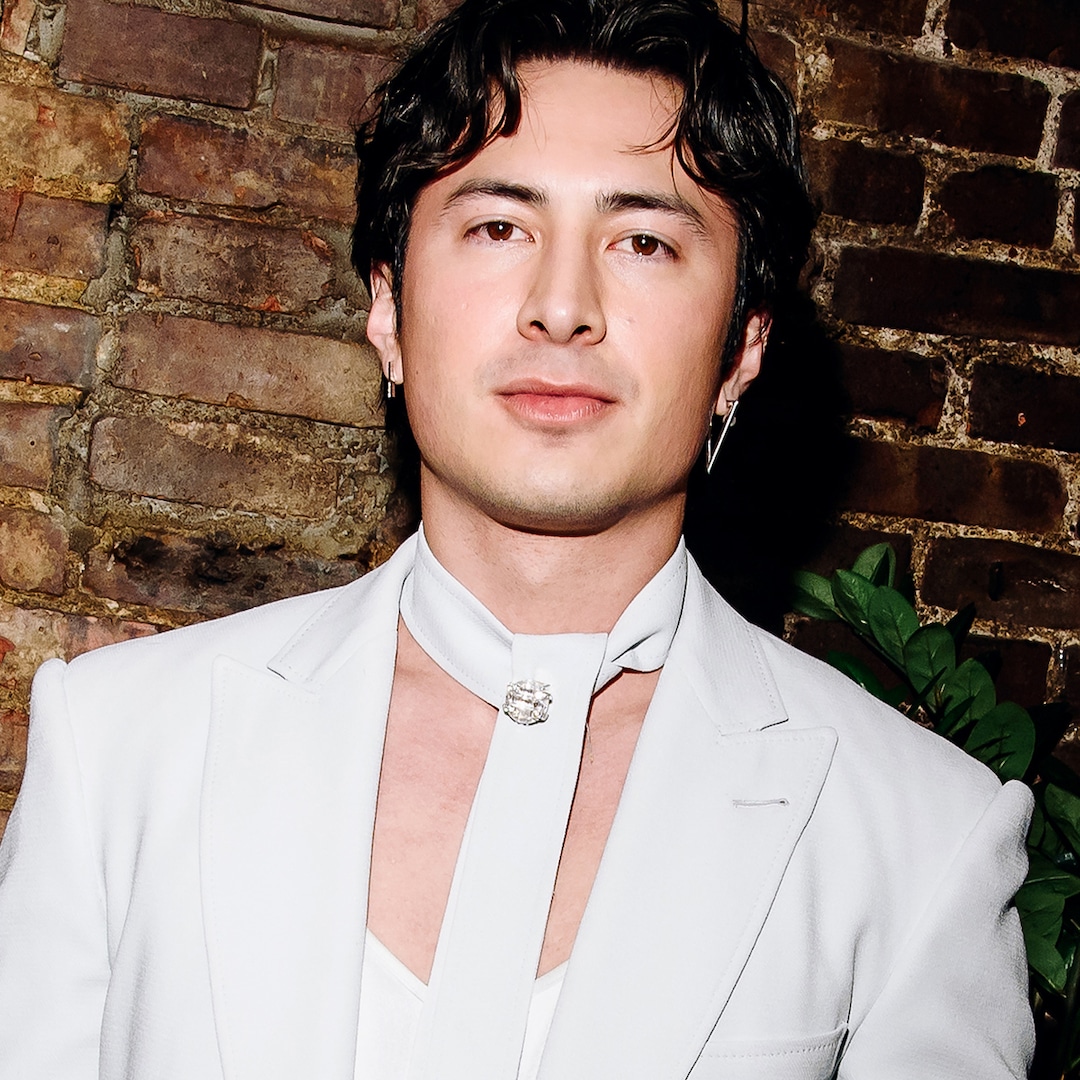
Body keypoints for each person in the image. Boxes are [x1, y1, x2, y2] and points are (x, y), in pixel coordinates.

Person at [0, 0, 1034, 1076]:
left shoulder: (921, 838)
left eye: (643, 242)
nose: (562, 305)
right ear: (389, 310)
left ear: (742, 347)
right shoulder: (120, 746)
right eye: (499, 228)